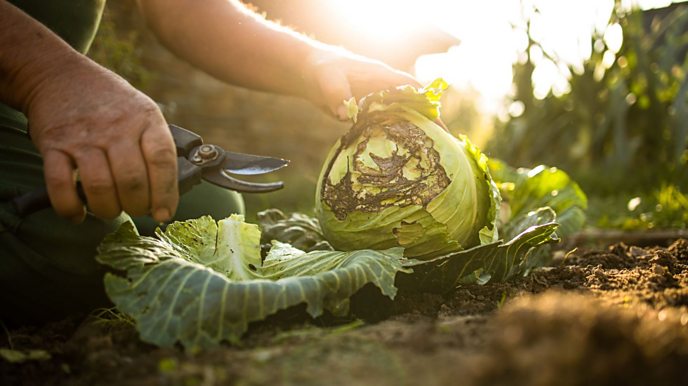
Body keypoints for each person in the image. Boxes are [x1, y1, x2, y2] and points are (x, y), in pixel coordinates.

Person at [0, 0, 419, 324]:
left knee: (212, 214)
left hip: (29, 117)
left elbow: (185, 9)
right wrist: (44, 73)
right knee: (78, 242)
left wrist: (309, 61)